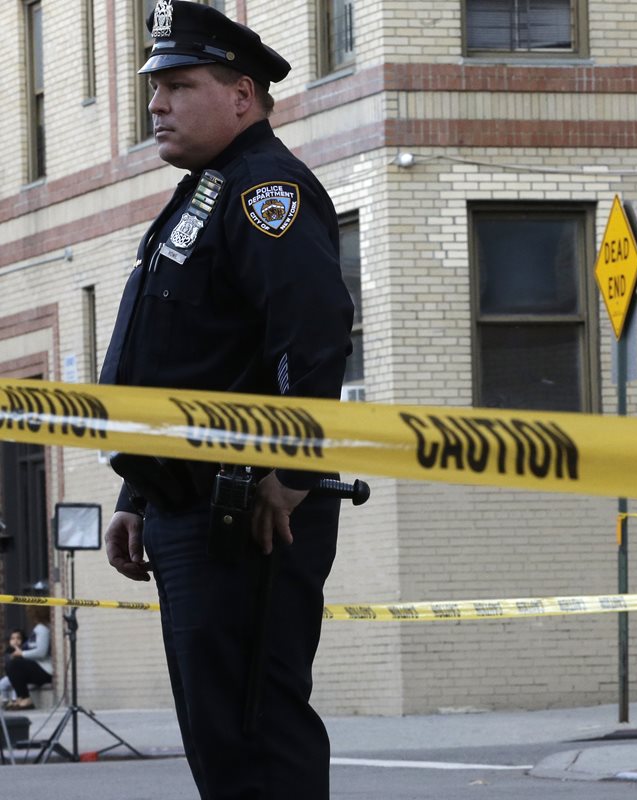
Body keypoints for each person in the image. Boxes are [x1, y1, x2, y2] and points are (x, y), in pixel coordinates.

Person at [100, 2, 353, 798]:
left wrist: (291, 473)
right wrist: (139, 489)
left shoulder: (264, 191)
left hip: (247, 513)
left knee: (255, 737)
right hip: (188, 507)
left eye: (178, 84)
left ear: (242, 94)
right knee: (220, 740)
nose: (155, 105)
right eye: (154, 87)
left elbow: (310, 338)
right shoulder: (205, 191)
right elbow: (182, 363)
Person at [3, 609, 52, 710]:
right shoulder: (39, 629)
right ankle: (20, 698)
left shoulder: (42, 629)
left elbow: (41, 652)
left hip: (45, 670)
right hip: (39, 668)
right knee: (11, 664)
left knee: (14, 665)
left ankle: (26, 699)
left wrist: (22, 653)